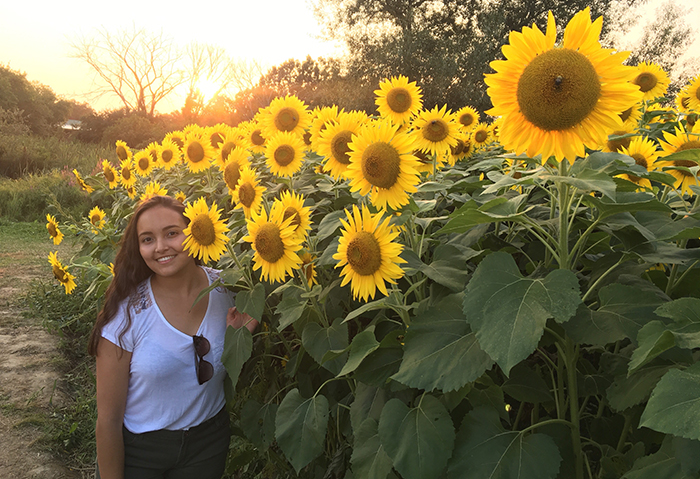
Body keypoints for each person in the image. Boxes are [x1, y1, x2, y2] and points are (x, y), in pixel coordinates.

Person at [87, 195, 258, 479]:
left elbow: (230, 360)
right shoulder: (127, 315)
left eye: (172, 233)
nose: (161, 247)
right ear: (138, 248)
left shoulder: (228, 290)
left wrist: (240, 339)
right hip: (141, 452)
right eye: (147, 239)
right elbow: (107, 420)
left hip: (207, 443)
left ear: (194, 233)